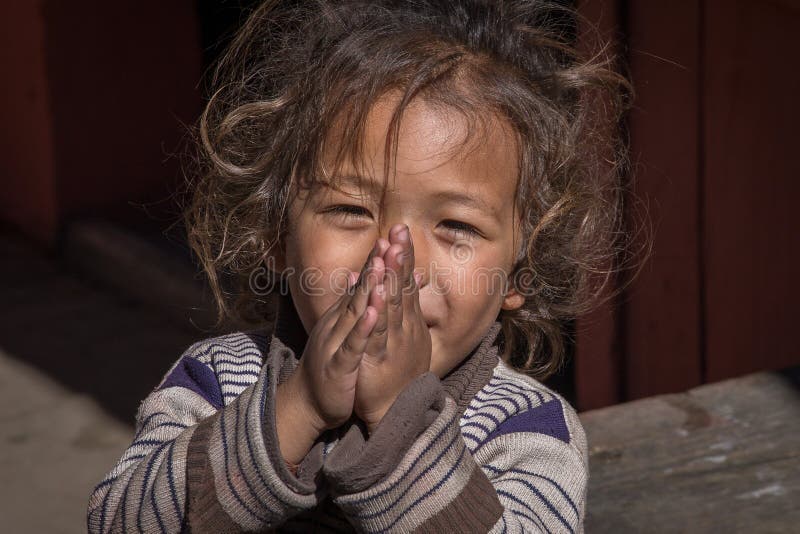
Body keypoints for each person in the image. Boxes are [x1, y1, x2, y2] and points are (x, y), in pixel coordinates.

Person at [88, 0, 638, 532]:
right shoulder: (218, 380)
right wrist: (298, 407)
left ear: (522, 269)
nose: (392, 262)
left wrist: (401, 423)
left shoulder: (526, 429)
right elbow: (119, 522)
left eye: (457, 227)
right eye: (350, 210)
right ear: (276, 236)